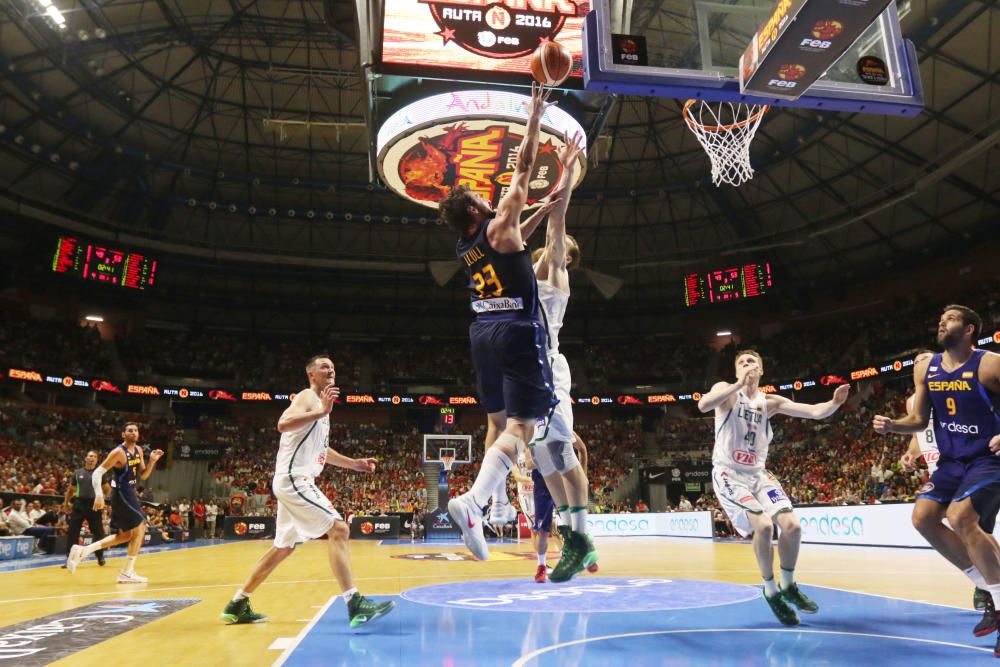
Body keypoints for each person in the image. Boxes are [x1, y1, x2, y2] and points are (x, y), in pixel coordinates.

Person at [439, 83, 560, 561]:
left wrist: (537, 218)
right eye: (477, 195)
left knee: (494, 421)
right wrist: (534, 114)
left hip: (481, 333)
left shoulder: (466, 246)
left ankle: (482, 507)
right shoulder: (499, 219)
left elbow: (511, 242)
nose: (487, 196)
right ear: (474, 209)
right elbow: (524, 168)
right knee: (523, 427)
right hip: (515, 329)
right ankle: (473, 502)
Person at [221, 354, 394, 627]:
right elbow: (282, 423)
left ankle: (238, 603)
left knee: (283, 548)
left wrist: (355, 464)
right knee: (339, 529)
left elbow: (322, 451)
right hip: (294, 479)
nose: (331, 369)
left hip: (296, 480)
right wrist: (321, 411)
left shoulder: (323, 408)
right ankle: (355, 602)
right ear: (311, 374)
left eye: (334, 367)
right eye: (325, 366)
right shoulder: (307, 397)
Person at [874, 305, 1000, 646]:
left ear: (970, 329)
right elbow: (919, 419)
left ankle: (998, 603)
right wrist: (893, 426)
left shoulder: (990, 363)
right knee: (923, 518)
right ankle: (987, 590)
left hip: (989, 459)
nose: (942, 322)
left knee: (962, 519)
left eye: (952, 319)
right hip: (951, 463)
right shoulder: (926, 368)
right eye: (941, 319)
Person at [698, 349, 850, 626]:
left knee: (792, 527)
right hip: (728, 473)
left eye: (752, 361)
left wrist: (834, 403)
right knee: (765, 526)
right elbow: (703, 406)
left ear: (761, 370)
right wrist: (737, 384)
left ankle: (788, 585)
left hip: (758, 474)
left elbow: (815, 412)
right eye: (742, 363)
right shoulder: (727, 391)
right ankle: (769, 590)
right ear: (735, 371)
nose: (747, 365)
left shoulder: (770, 402)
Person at [517, 133, 595, 582]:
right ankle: (572, 538)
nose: (557, 247)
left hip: (549, 369)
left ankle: (581, 539)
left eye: (565, 247)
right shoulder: (525, 276)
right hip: (526, 374)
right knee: (544, 464)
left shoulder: (554, 274)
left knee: (564, 455)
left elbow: (555, 222)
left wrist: (565, 171)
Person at [66, 423, 165, 583]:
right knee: (140, 527)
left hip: (130, 493)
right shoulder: (118, 452)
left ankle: (84, 550)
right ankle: (127, 572)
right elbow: (97, 473)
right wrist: (99, 495)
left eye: (135, 430)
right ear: (123, 434)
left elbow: (144, 476)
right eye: (129, 430)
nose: (133, 432)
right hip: (121, 493)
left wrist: (152, 461)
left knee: (126, 535)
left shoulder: (139, 450)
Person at [63, 450, 110, 568]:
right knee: (72, 532)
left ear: (97, 459)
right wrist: (66, 503)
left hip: (94, 505)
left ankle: (100, 556)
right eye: (90, 455)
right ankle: (70, 559)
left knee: (98, 532)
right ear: (85, 458)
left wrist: (103, 500)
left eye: (94, 456)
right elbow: (71, 490)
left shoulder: (100, 473)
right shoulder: (78, 473)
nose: (92, 458)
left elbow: (107, 489)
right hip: (79, 504)